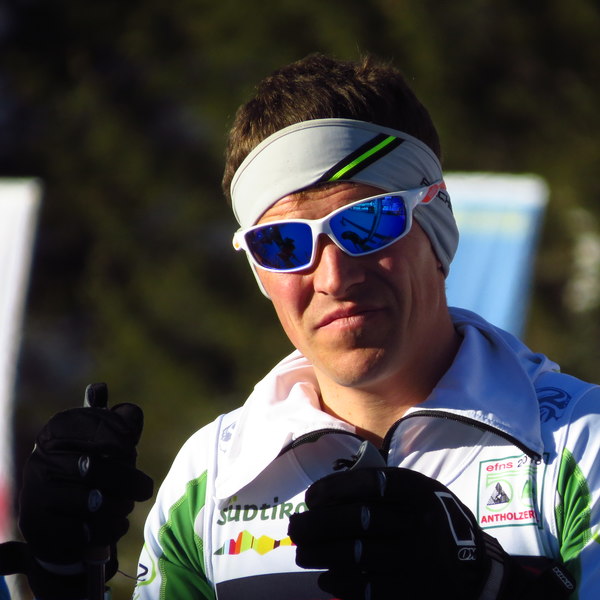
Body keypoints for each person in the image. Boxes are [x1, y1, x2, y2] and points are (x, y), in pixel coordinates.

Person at [1, 53, 598, 599]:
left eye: (368, 222)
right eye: (284, 243)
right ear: (259, 271)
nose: (334, 276)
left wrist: (492, 586)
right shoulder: (210, 479)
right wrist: (67, 581)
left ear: (436, 223)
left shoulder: (581, 442)